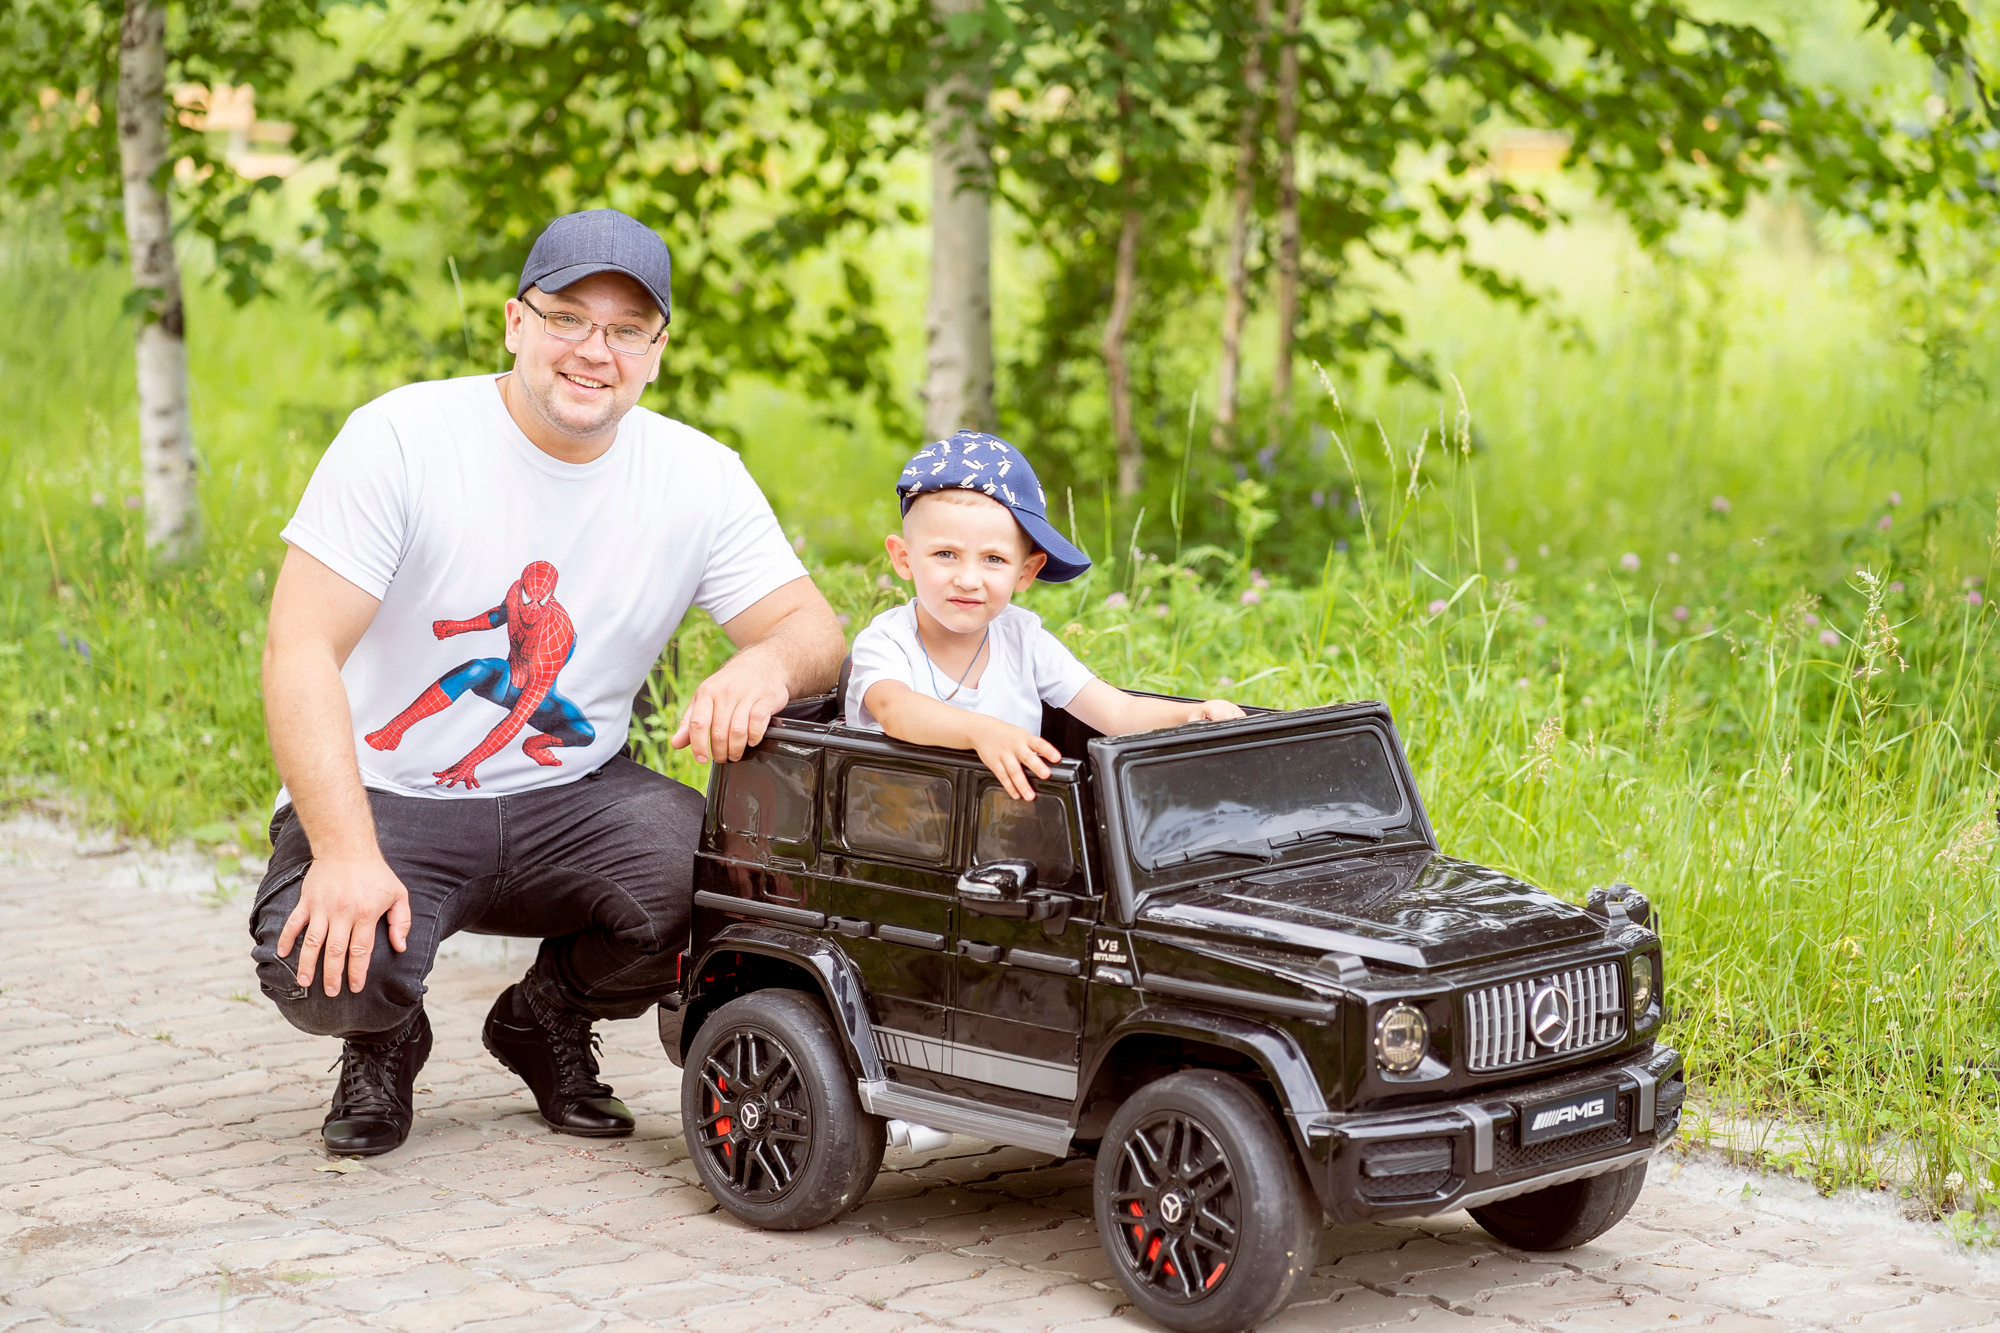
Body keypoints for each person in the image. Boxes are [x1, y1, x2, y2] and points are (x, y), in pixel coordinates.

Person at [251, 208, 845, 1157]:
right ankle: (383, 1036)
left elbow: (811, 628)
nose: (593, 351)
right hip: (390, 798)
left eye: (623, 330)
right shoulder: (402, 437)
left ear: (657, 351)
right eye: (568, 316)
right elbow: (299, 651)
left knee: (715, 876)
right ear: (514, 322)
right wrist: (346, 852)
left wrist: (766, 663)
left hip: (567, 795)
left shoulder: (698, 476)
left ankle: (545, 1019)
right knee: (323, 965)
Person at [847, 429, 1243, 797]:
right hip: (891, 833)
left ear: (1026, 571)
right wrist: (980, 732)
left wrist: (1193, 714)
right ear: (903, 558)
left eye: (994, 559)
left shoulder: (1024, 640)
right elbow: (896, 710)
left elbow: (1117, 711)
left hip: (1001, 832)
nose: (968, 579)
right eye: (945, 554)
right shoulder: (887, 641)